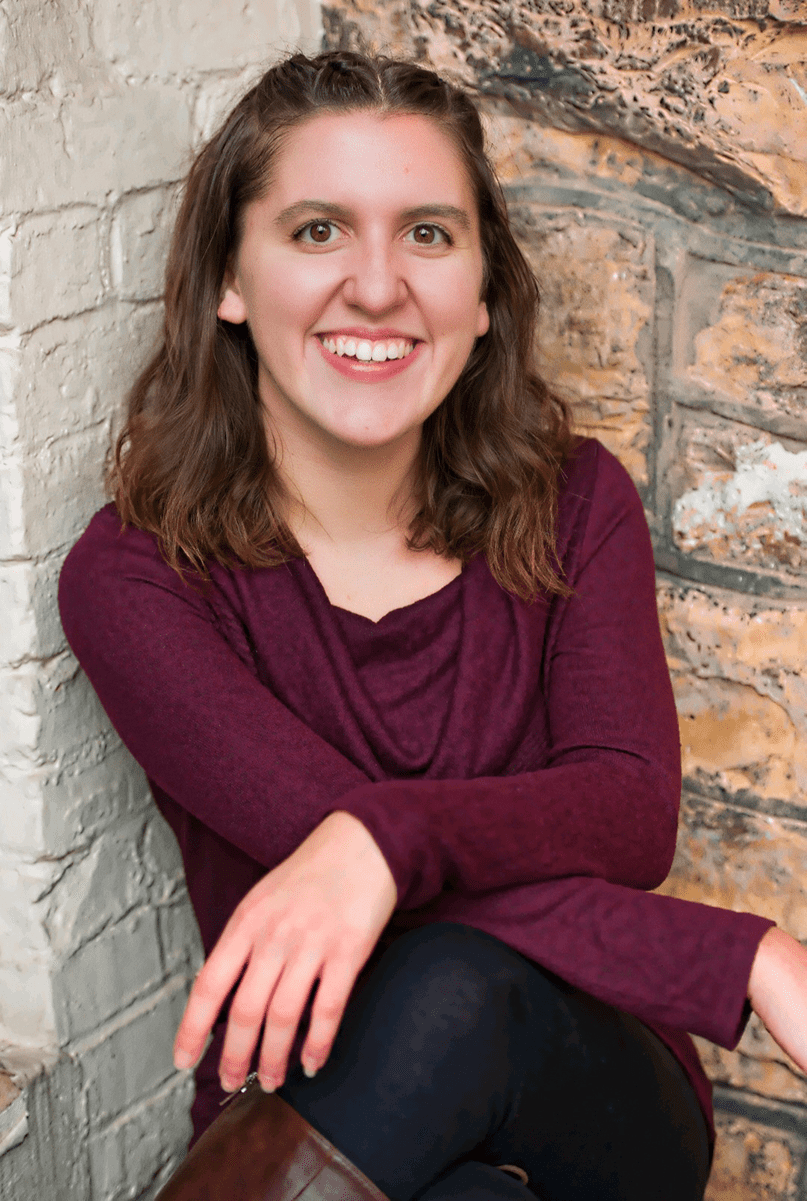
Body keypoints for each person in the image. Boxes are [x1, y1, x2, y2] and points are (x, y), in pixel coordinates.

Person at [58, 50, 807, 1201]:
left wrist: (377, 833)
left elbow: (627, 811)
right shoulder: (139, 577)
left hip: (593, 1086)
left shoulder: (576, 502)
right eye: (316, 231)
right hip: (317, 1103)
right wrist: (737, 955)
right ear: (228, 279)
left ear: (485, 291)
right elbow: (373, 861)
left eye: (427, 234)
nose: (375, 285)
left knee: (457, 979)